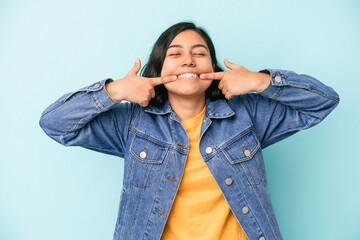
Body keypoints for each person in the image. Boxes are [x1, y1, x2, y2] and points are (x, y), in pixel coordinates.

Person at [39, 22, 339, 240]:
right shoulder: (133, 123)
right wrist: (114, 91)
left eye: (199, 53)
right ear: (158, 69)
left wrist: (261, 81)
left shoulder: (247, 115)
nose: (188, 60)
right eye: (175, 54)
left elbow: (323, 102)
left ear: (212, 66)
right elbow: (55, 123)